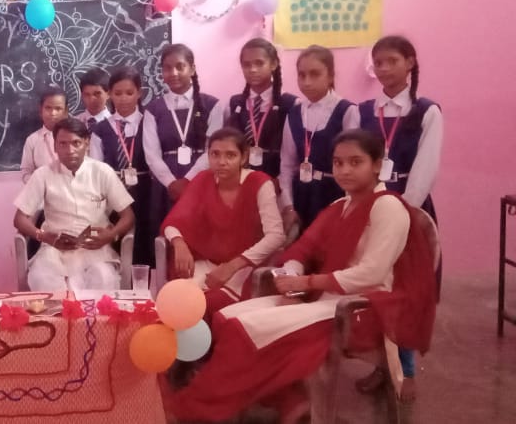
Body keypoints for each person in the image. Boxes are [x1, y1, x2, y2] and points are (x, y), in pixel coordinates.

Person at [168, 130, 436, 424]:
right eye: (338, 163)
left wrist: (307, 283)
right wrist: (291, 280)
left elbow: (370, 273)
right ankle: (287, 401)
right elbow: (303, 248)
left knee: (246, 330)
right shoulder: (340, 206)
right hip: (324, 297)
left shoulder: (387, 207)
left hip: (362, 307)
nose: (344, 170)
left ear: (377, 165)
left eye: (355, 162)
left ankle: (206, 407)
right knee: (226, 318)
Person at [357, 34, 443, 401]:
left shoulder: (427, 111)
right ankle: (382, 364)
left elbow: (426, 168)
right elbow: (355, 162)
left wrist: (402, 213)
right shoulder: (362, 111)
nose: (384, 69)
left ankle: (405, 370)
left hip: (410, 209)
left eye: (392, 61)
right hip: (369, 208)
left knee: (407, 289)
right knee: (376, 288)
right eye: (378, 63)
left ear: (410, 63)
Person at [160, 128, 286, 316]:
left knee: (208, 305)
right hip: (208, 263)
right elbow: (175, 220)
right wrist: (179, 243)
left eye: (230, 155)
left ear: (244, 157)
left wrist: (232, 266)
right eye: (215, 154)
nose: (222, 162)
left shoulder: (259, 183)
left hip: (245, 267)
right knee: (176, 301)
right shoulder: (203, 179)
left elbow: (276, 236)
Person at [14, 117, 136, 292]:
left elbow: (128, 216)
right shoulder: (43, 174)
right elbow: (19, 219)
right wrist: (45, 236)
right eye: (62, 144)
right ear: (55, 146)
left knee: (103, 277)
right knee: (41, 278)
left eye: (76, 143)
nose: (69, 150)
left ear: (86, 143)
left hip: (95, 247)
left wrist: (111, 236)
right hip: (55, 249)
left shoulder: (102, 172)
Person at [142, 44, 223, 245]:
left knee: (202, 235)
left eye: (180, 66)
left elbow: (213, 150)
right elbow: (151, 154)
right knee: (165, 237)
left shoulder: (212, 105)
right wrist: (171, 183)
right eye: (167, 68)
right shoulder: (153, 109)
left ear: (192, 69)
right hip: (165, 182)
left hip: (201, 178)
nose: (173, 73)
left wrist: (188, 180)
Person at [279, 45, 360, 234]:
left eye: (315, 74)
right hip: (301, 196)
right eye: (301, 75)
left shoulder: (346, 111)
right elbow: (287, 164)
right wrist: (288, 205)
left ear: (330, 76)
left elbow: (354, 164)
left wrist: (349, 205)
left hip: (334, 195)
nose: (307, 82)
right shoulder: (294, 112)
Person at [88, 67, 154, 267]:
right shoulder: (100, 129)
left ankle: (142, 283)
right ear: (109, 94)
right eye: (117, 93)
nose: (123, 98)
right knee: (117, 247)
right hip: (113, 193)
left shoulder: (149, 122)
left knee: (144, 245)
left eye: (129, 93)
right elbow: (96, 167)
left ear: (139, 93)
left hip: (145, 193)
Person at [222, 38, 298, 180]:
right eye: (247, 65)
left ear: (273, 64)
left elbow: (293, 155)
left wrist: (280, 182)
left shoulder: (290, 104)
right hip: (239, 181)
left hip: (275, 182)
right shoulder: (233, 104)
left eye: (259, 63)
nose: (253, 69)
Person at [20, 85, 70, 183]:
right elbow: (26, 172)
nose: (53, 113)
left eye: (58, 109)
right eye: (48, 108)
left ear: (66, 111)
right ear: (40, 110)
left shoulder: (75, 137)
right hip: (43, 190)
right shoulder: (33, 140)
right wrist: (40, 184)